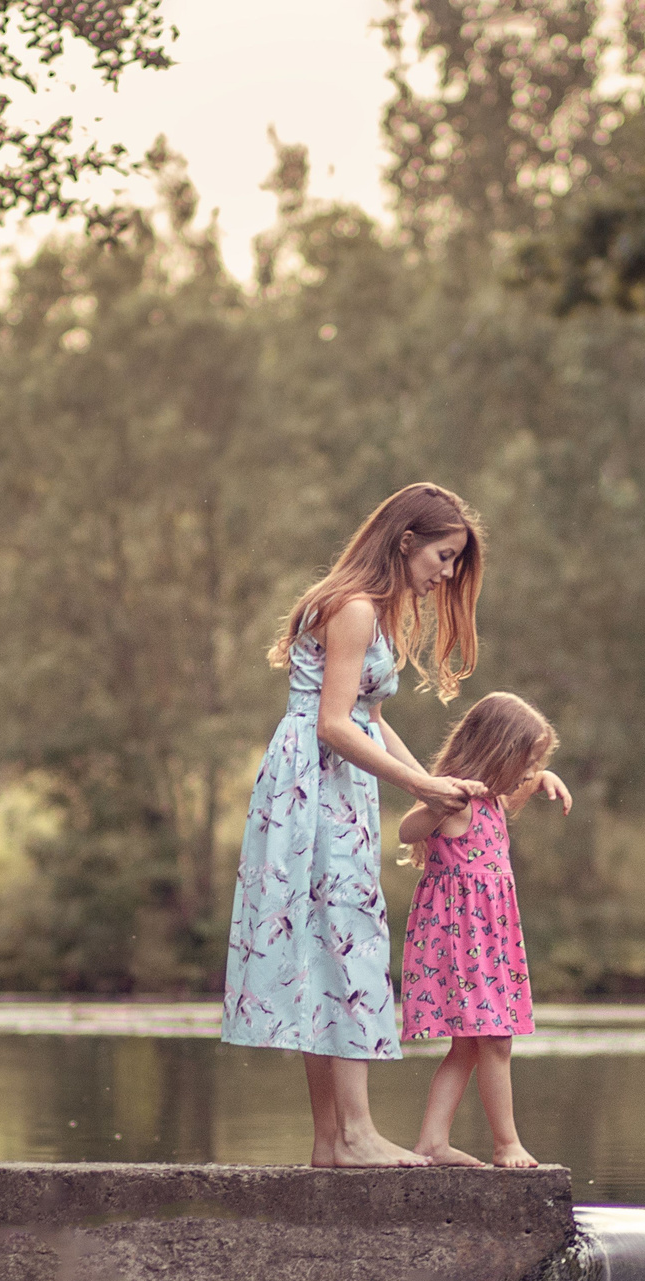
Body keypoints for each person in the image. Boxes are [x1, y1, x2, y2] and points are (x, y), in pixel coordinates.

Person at [222, 483, 490, 1167]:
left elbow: (369, 715)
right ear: (406, 542)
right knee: (346, 941)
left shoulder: (370, 610)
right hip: (317, 786)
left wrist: (431, 777)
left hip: (326, 784)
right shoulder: (355, 608)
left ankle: (332, 1140)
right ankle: (357, 1133)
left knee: (326, 944)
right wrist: (418, 786)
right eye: (443, 554)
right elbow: (334, 723)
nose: (447, 572)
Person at [394, 692, 573, 1168]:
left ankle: (432, 1141)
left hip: (488, 937)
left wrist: (540, 783)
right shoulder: (455, 800)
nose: (529, 772)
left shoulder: (492, 800)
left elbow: (512, 793)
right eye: (527, 763)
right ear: (498, 752)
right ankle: (506, 1143)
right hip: (461, 936)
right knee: (495, 1037)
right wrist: (438, 803)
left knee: (473, 1042)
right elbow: (406, 831)